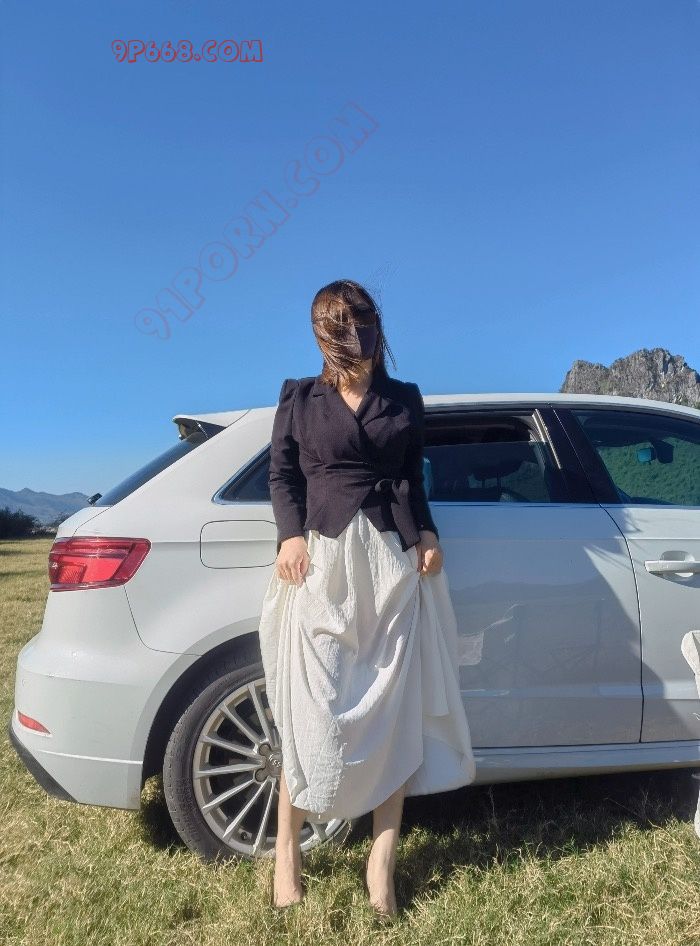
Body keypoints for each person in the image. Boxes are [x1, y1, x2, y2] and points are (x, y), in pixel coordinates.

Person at [258, 279, 476, 916]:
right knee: (312, 715)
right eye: (339, 327)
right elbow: (282, 474)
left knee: (391, 713)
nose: (354, 335)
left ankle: (381, 864)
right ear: (321, 336)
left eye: (361, 322)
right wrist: (289, 534)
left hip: (389, 565)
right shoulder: (299, 397)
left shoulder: (404, 398)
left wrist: (427, 532)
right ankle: (287, 851)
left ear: (375, 325)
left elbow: (411, 478)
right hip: (322, 565)